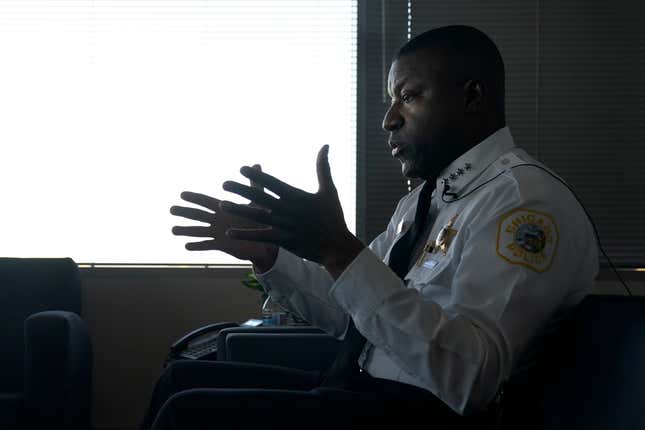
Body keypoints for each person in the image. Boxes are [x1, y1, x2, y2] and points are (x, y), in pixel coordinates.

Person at [145, 25, 598, 429]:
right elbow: (352, 313)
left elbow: (471, 380)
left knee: (190, 413)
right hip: (362, 390)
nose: (389, 119)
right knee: (182, 378)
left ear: (472, 97)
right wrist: (269, 256)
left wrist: (340, 250)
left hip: (425, 413)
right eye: (390, 101)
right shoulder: (423, 202)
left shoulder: (521, 203)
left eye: (409, 96)